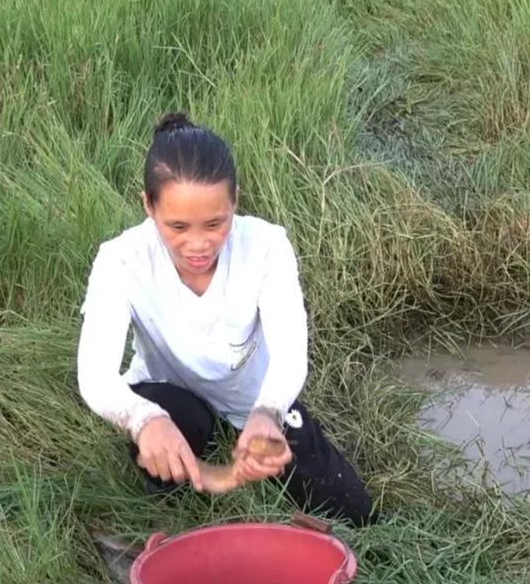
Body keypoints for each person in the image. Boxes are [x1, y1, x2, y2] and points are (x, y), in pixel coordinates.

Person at [75, 111, 376, 526]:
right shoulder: (121, 259)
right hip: (172, 392)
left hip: (252, 396)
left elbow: (290, 353)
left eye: (215, 223)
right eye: (177, 226)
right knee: (167, 435)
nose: (198, 244)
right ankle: (173, 465)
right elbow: (95, 376)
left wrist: (268, 412)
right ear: (148, 206)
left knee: (352, 510)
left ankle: (249, 431)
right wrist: (144, 420)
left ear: (234, 201)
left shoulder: (267, 247)